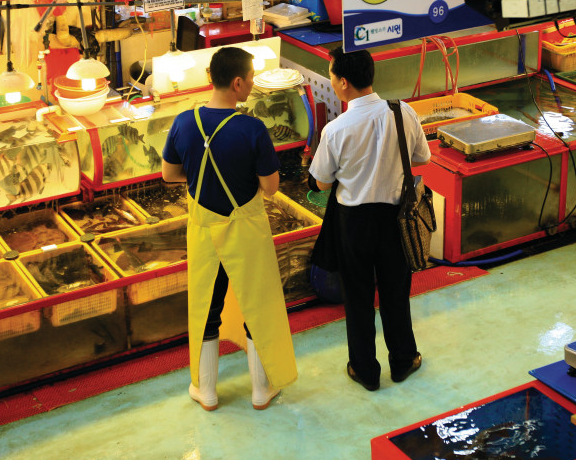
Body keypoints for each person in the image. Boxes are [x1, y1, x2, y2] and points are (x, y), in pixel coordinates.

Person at [161, 47, 297, 411]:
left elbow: (169, 175)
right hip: (246, 232)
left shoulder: (183, 122)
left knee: (206, 306)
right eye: (251, 79)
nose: (252, 85)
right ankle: (260, 390)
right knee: (259, 305)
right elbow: (270, 187)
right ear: (237, 83)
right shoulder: (252, 129)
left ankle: (205, 391)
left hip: (204, 229)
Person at [311, 48, 429, 391]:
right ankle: (404, 360)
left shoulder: (336, 130)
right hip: (397, 219)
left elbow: (321, 182)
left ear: (343, 83)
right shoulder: (403, 112)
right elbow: (422, 157)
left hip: (354, 222)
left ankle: (365, 370)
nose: (332, 82)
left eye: (332, 76)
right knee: (396, 291)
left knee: (358, 295)